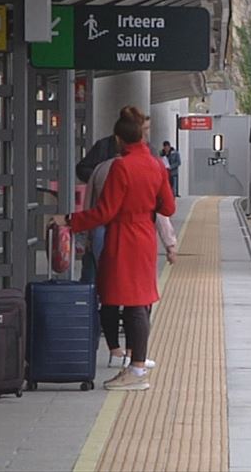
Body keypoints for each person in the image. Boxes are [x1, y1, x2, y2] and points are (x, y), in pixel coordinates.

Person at [61, 107, 175, 391]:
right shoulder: (156, 166)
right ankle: (136, 365)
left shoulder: (121, 167)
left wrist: (69, 221)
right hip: (145, 237)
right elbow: (169, 207)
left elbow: (104, 212)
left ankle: (136, 370)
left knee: (126, 302)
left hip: (123, 238)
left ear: (119, 139)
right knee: (138, 301)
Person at [80, 130, 178, 368]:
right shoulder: (151, 167)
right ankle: (136, 359)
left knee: (108, 293)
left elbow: (93, 206)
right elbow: (165, 211)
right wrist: (170, 243)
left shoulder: (102, 169)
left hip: (105, 233)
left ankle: (114, 349)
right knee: (139, 299)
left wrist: (82, 233)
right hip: (137, 237)